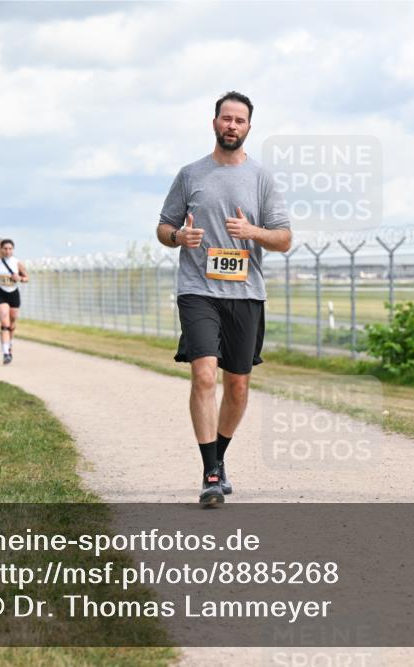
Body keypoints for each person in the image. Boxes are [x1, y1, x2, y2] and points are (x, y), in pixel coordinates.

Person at [156, 91, 292, 507]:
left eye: (240, 120)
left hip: (245, 293)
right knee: (204, 376)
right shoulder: (190, 175)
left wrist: (254, 234)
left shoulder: (261, 178)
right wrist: (180, 236)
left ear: (249, 127)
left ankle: (218, 458)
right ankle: (210, 472)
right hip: (198, 290)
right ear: (214, 122)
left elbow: (284, 239)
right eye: (226, 118)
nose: (232, 126)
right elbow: (163, 228)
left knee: (237, 386)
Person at [0, 239, 28, 364]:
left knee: (12, 322)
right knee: (4, 322)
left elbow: (26, 277)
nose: (8, 251)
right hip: (1, 294)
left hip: (13, 294)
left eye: (10, 249)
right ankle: (6, 353)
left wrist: (19, 278)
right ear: (1, 249)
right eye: (5, 248)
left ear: (13, 250)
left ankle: (9, 343)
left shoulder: (17, 262)